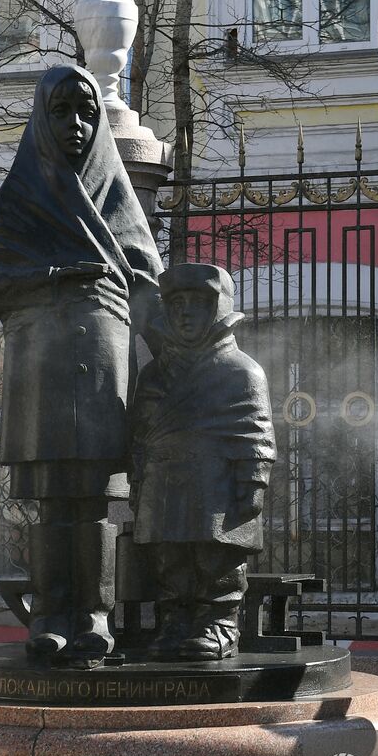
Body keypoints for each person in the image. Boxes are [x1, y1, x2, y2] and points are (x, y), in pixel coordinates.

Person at [0, 65, 163, 664]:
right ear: (41, 119)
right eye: (62, 112)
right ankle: (49, 616)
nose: (76, 125)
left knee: (96, 501)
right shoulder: (25, 194)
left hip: (104, 369)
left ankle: (94, 617)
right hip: (42, 370)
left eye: (86, 112)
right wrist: (57, 277)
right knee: (53, 500)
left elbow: (147, 279)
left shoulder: (113, 193)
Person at [128, 264, 275, 660]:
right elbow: (140, 436)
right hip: (162, 484)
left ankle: (220, 621)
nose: (186, 313)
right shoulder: (154, 376)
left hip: (217, 486)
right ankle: (174, 618)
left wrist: (254, 482)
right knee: (167, 558)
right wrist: (138, 481)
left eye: (197, 303)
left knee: (215, 558)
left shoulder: (241, 370)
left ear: (219, 308)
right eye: (177, 304)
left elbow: (256, 431)